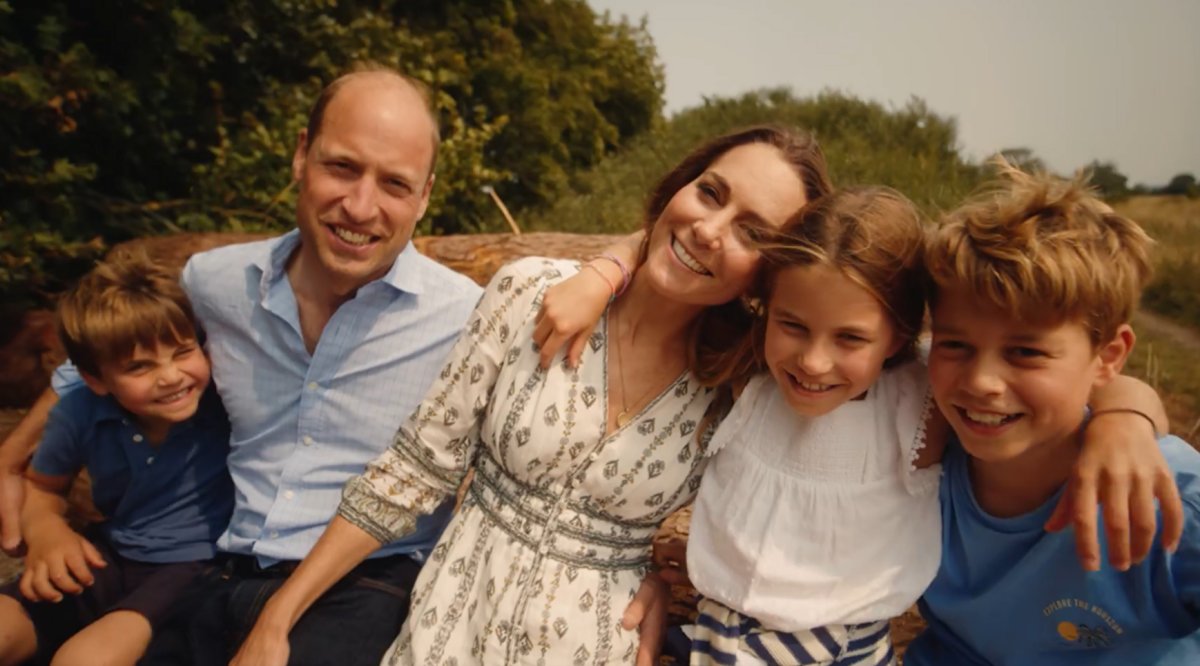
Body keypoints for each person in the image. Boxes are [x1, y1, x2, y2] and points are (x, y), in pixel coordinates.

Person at [230, 125, 837, 665]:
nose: (709, 229)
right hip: (449, 634)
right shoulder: (531, 293)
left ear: (770, 269)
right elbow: (412, 471)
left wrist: (658, 577)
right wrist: (278, 617)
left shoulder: (740, 385)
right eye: (710, 192)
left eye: (751, 231)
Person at [0, 64, 484, 666]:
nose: (361, 206)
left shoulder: (467, 317)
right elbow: (101, 365)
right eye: (341, 166)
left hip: (366, 582)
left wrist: (607, 271)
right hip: (219, 569)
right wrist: (15, 465)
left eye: (394, 184)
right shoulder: (216, 283)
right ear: (301, 156)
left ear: (425, 195)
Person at [904, 161, 1200, 664]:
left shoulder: (1167, 498)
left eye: (1026, 352)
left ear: (1108, 357)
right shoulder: (919, 454)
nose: (980, 382)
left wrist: (1126, 415)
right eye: (954, 344)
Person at [676, 187, 942, 664]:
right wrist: (605, 269)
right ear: (766, 310)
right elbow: (665, 256)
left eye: (850, 338)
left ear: (898, 334)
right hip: (726, 637)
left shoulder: (919, 401)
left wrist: (1121, 409)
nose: (814, 362)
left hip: (854, 646)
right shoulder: (749, 373)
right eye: (793, 326)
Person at [0, 252, 233, 666]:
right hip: (108, 552)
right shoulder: (80, 411)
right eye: (139, 367)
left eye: (182, 352)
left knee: (83, 660)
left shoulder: (223, 402)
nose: (170, 376)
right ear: (95, 379)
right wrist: (47, 530)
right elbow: (42, 486)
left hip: (194, 566)